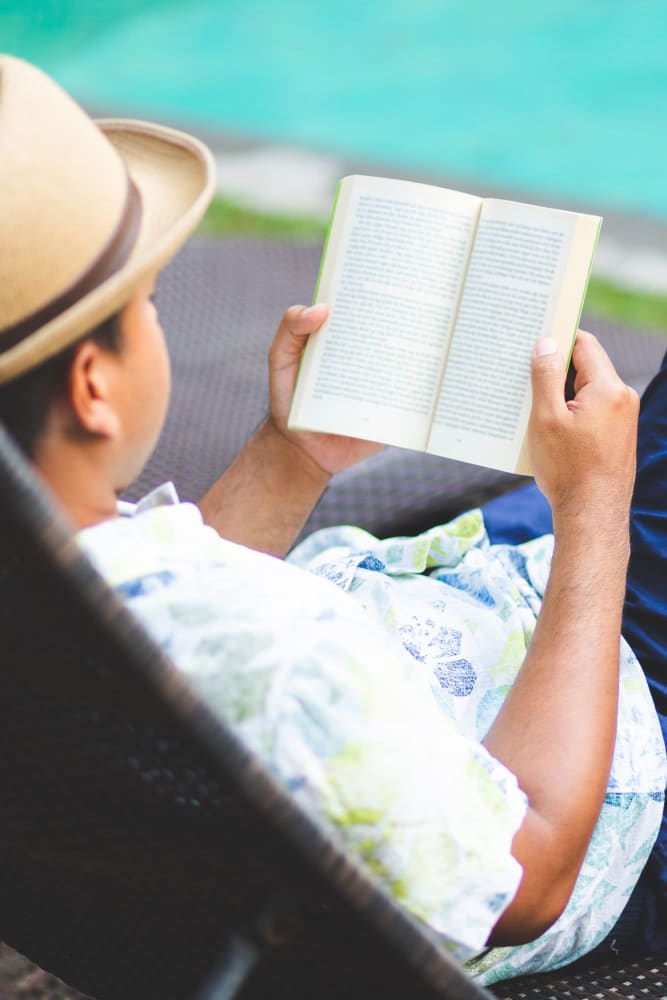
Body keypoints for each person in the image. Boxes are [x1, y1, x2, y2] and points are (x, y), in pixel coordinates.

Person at [0, 54, 665, 986]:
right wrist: (596, 507)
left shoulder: (42, 585)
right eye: (146, 303)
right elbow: (528, 872)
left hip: (480, 640)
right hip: (622, 784)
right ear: (93, 386)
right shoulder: (288, 655)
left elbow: (154, 647)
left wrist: (291, 455)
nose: (158, 316)